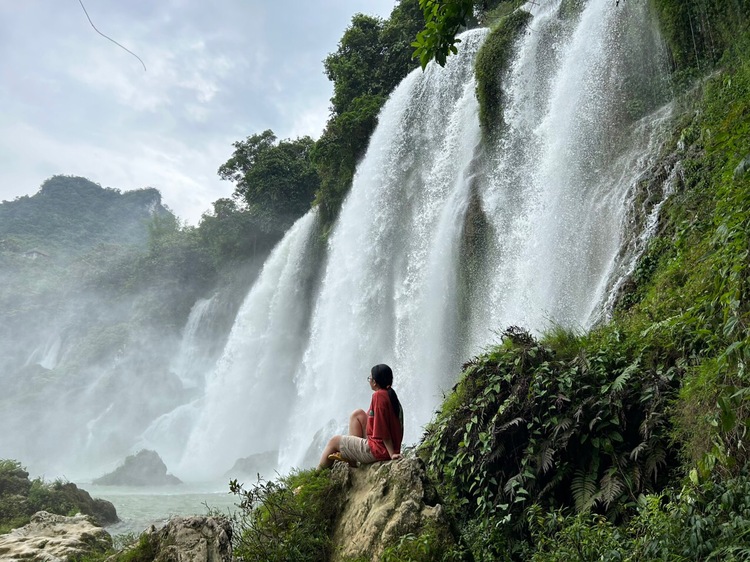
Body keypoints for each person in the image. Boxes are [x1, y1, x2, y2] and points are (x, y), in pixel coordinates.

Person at [318, 363, 404, 469]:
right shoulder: (390, 394)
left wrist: (392, 454)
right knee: (357, 414)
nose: (369, 381)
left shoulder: (379, 396)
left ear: (375, 382)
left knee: (334, 441)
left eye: (370, 378)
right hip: (383, 447)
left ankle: (316, 476)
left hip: (379, 450)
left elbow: (383, 430)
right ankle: (351, 457)